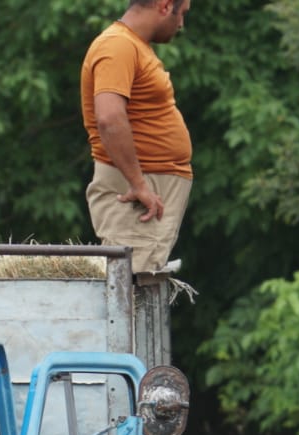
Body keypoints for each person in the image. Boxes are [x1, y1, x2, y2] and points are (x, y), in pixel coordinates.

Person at [79, 0, 193, 272]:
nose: (181, 24)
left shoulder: (134, 45)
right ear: (165, 6)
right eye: (182, 14)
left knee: (142, 279)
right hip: (135, 190)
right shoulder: (117, 45)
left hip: (147, 186)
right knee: (132, 284)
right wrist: (138, 184)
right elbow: (109, 118)